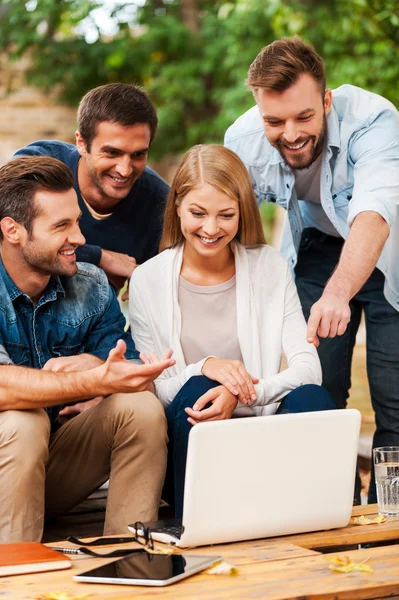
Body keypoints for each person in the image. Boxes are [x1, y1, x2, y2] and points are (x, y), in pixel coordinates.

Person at [224, 36, 399, 502]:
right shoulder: (242, 142)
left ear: (326, 100)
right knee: (320, 388)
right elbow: (229, 224)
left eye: (304, 117)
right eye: (274, 121)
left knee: (394, 399)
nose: (291, 133)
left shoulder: (375, 120)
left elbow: (375, 214)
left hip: (390, 251)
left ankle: (390, 521)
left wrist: (339, 291)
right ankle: (331, 506)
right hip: (318, 250)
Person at [129, 144, 335, 518]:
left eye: (226, 215)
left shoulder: (268, 266)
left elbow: (309, 368)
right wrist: (205, 366)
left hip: (260, 441)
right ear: (176, 206)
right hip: (192, 448)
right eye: (198, 213)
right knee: (196, 388)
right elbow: (157, 389)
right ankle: (193, 525)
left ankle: (320, 529)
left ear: (242, 213)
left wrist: (244, 394)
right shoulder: (148, 279)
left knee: (312, 398)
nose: (210, 229)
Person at [0, 156, 175, 543]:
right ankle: (17, 581)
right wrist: (91, 380)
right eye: (61, 226)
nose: (80, 239)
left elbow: (132, 377)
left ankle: (125, 563)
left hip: (49, 471)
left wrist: (99, 367)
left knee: (141, 408)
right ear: (13, 230)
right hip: (9, 453)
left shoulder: (91, 285)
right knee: (23, 422)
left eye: (76, 221)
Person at [14, 82, 169, 294]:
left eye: (138, 154)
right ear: (81, 143)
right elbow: (12, 237)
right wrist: (100, 257)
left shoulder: (160, 205)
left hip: (92, 320)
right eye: (112, 153)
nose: (124, 170)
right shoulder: (38, 164)